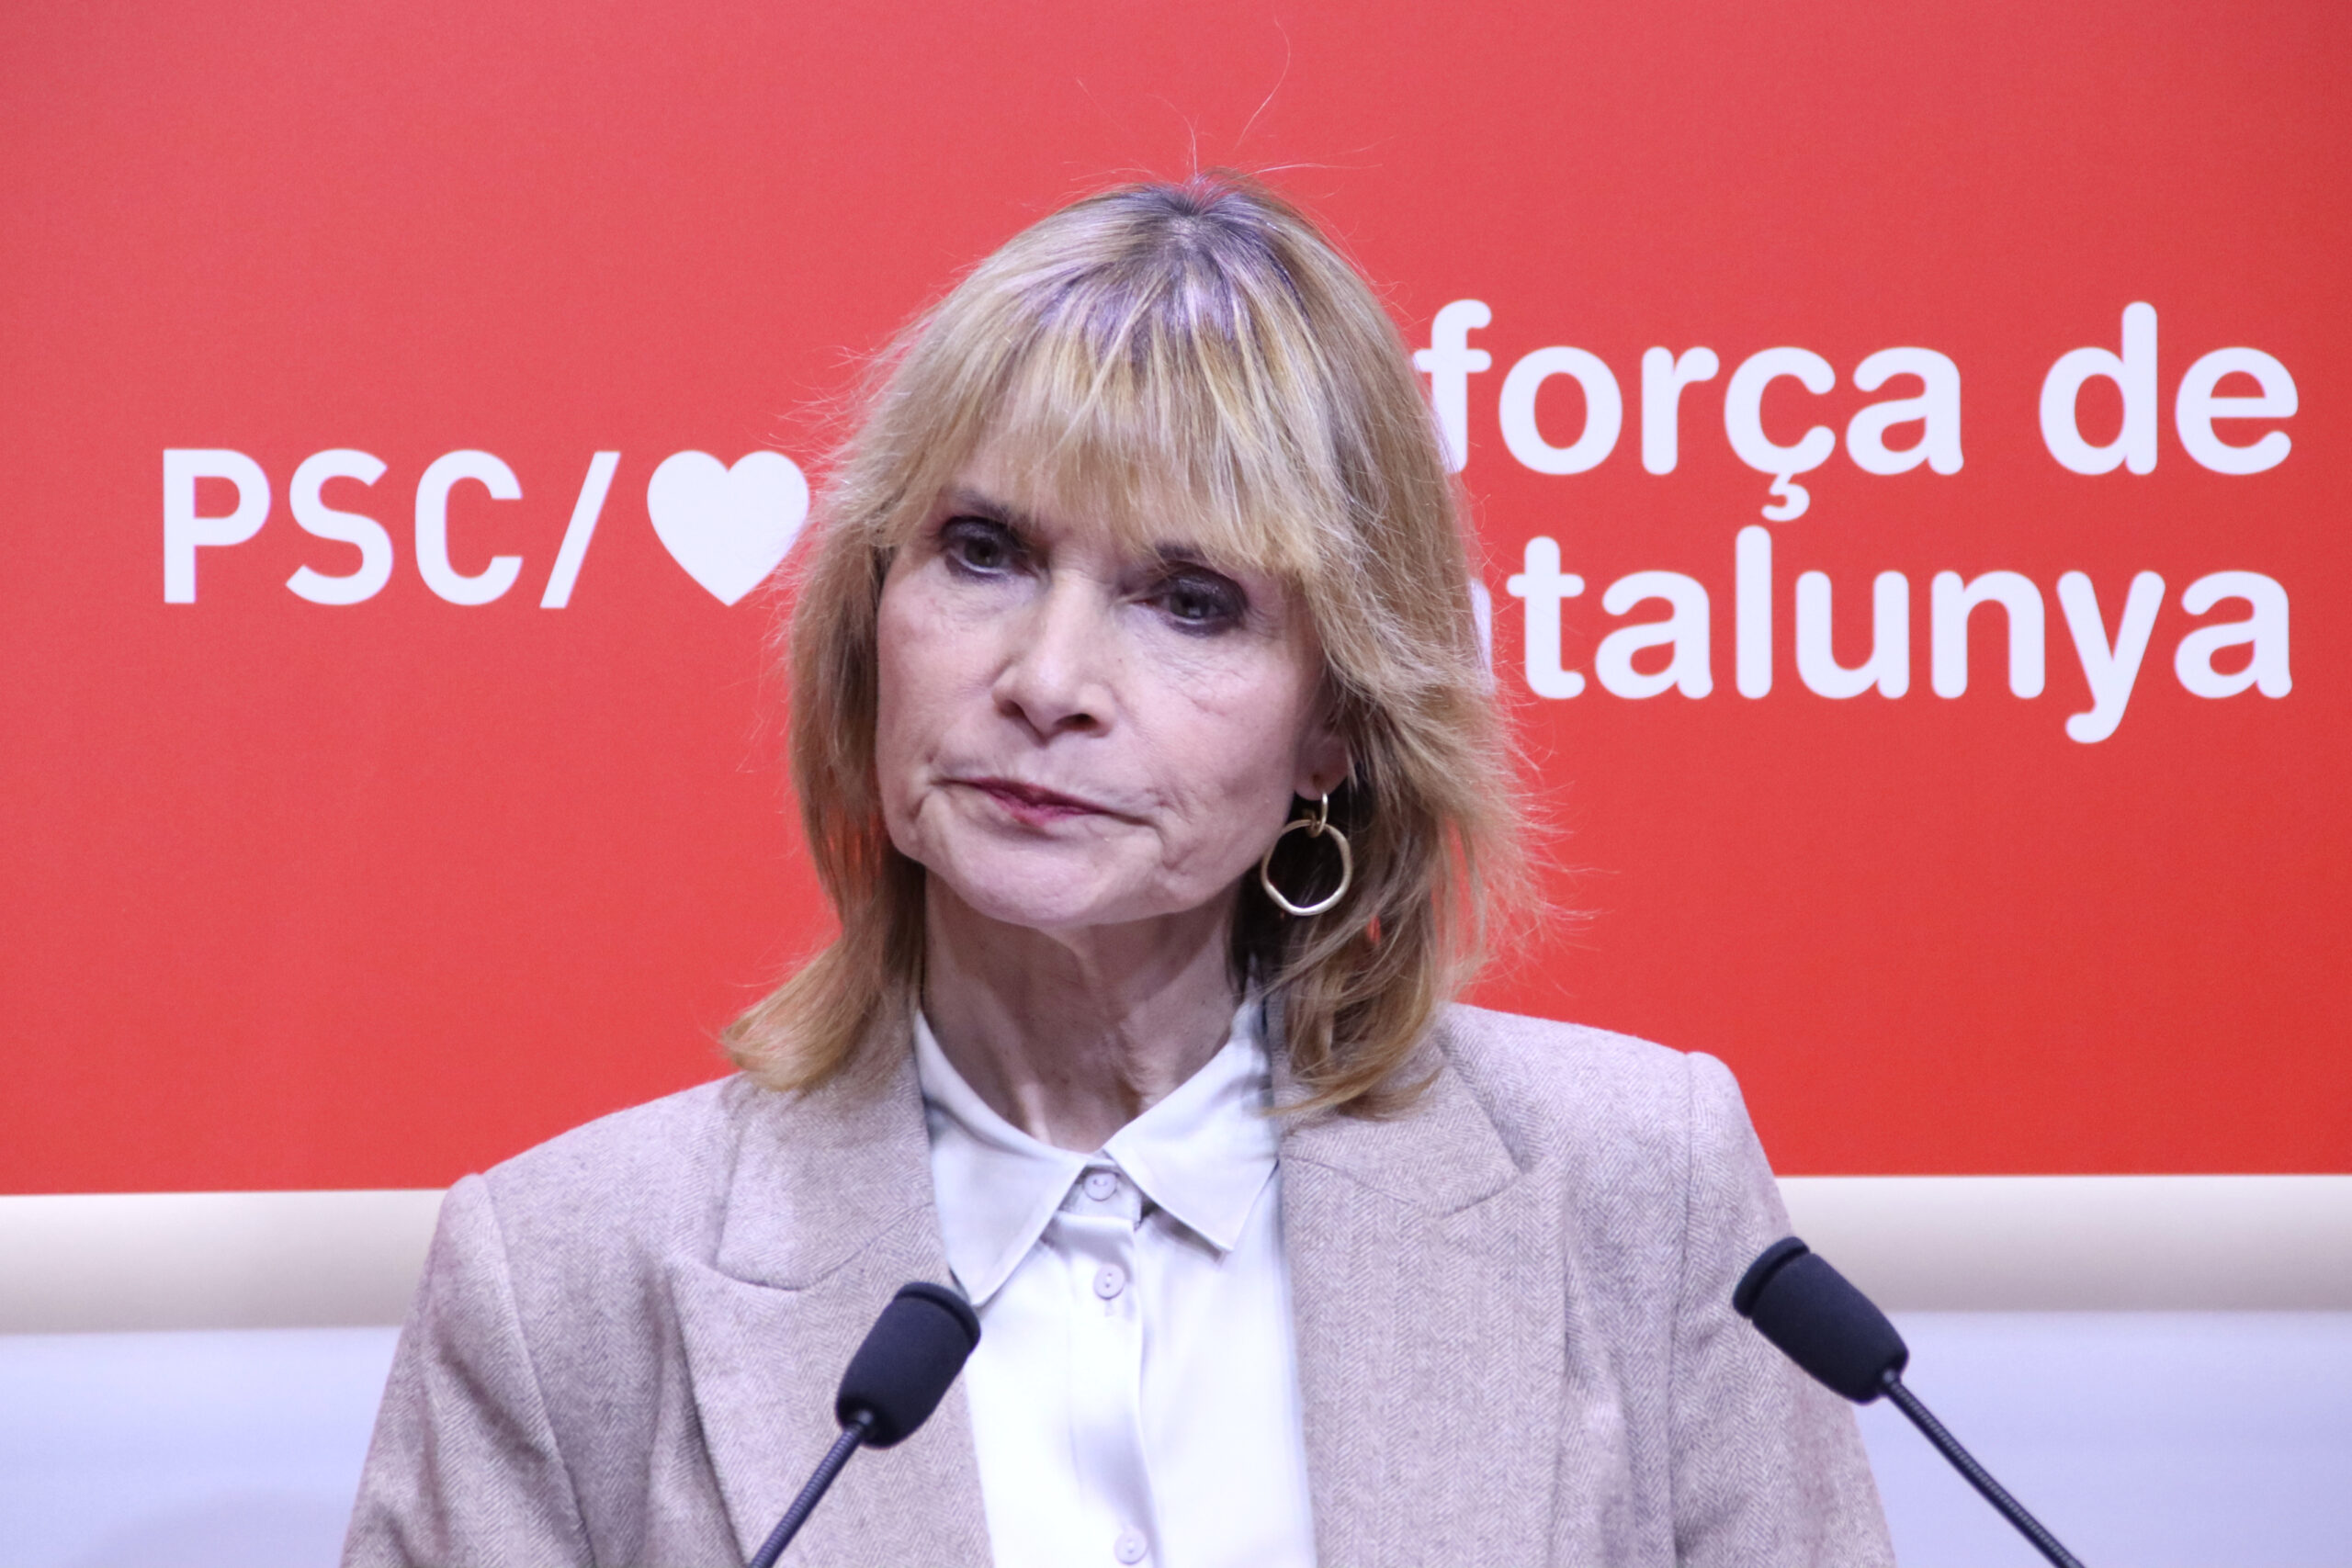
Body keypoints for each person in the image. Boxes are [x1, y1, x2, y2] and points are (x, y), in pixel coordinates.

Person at [343, 174, 1892, 1568]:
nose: (1047, 680)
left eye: (1191, 600)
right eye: (985, 552)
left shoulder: (1640, 1190)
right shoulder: (561, 1279)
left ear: (1336, 725)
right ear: (870, 624)